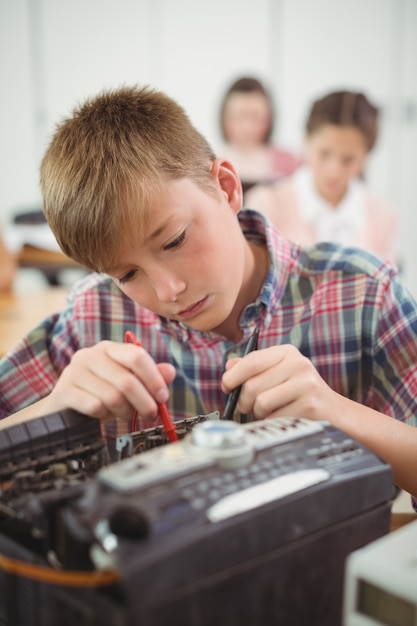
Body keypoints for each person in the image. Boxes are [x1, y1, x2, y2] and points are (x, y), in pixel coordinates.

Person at [0, 85, 417, 503]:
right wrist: (51, 411)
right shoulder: (94, 316)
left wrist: (339, 415)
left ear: (226, 187)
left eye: (175, 240)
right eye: (128, 274)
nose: (169, 290)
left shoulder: (364, 296)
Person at [245, 90, 399, 263]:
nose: (334, 171)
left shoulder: (383, 216)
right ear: (306, 142)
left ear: (365, 157)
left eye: (348, 159)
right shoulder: (266, 206)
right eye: (324, 154)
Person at [219, 76, 300, 194]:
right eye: (240, 116)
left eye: (255, 116)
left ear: (269, 117)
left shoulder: (289, 163)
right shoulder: (210, 163)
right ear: (225, 117)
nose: (248, 126)